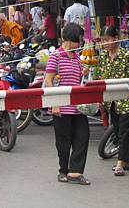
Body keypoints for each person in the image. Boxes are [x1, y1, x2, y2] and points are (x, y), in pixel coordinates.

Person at [45, 23, 90, 185]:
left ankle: (75, 172)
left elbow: (80, 80)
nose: (80, 43)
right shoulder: (55, 56)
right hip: (61, 107)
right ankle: (63, 171)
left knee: (82, 138)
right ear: (70, 40)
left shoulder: (77, 57)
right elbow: (49, 80)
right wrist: (55, 103)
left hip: (77, 107)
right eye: (78, 40)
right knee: (63, 142)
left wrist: (84, 72)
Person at [95, 25, 129, 176]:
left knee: (125, 131)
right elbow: (99, 78)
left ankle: (120, 162)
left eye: (107, 40)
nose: (105, 43)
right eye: (103, 41)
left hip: (126, 99)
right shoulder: (103, 57)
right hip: (111, 101)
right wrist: (99, 98)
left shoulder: (127, 56)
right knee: (119, 129)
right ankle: (127, 160)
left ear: (116, 39)